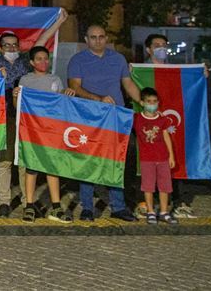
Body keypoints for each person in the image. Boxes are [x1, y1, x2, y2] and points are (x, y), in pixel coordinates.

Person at [0, 6, 68, 217]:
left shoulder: (25, 62)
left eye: (14, 45)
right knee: (5, 161)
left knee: (24, 160)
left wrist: (59, 23)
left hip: (27, 119)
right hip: (3, 116)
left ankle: (28, 200)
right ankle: (4, 200)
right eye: (7, 46)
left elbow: (42, 41)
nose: (11, 48)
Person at [67, 24, 140, 222]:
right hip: (88, 117)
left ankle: (118, 206)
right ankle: (87, 208)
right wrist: (98, 99)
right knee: (88, 162)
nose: (97, 40)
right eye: (93, 37)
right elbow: (74, 86)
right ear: (86, 39)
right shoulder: (77, 60)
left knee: (116, 163)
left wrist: (142, 103)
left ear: (106, 38)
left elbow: (128, 84)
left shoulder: (118, 59)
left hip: (116, 118)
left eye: (101, 37)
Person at [133, 34, 197, 220]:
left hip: (169, 128)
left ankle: (171, 205)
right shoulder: (141, 70)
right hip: (148, 142)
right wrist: (132, 70)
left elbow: (191, 81)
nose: (161, 48)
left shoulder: (175, 68)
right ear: (148, 49)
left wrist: (201, 73)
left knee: (173, 166)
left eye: (164, 45)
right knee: (147, 175)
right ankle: (147, 205)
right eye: (157, 45)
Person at [12, 46, 75, 223]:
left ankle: (56, 206)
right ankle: (29, 205)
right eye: (39, 59)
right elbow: (19, 107)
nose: (43, 62)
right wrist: (16, 96)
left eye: (46, 59)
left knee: (52, 167)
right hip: (33, 130)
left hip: (52, 130)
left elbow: (61, 102)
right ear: (31, 62)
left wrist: (66, 93)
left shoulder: (55, 79)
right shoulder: (25, 79)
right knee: (31, 167)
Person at [134, 87, 178, 225]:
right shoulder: (137, 119)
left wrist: (171, 156)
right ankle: (151, 211)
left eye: (154, 101)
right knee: (148, 186)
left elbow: (166, 137)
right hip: (146, 159)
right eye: (148, 101)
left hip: (162, 158)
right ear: (142, 103)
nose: (152, 104)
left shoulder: (162, 119)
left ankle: (164, 212)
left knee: (164, 186)